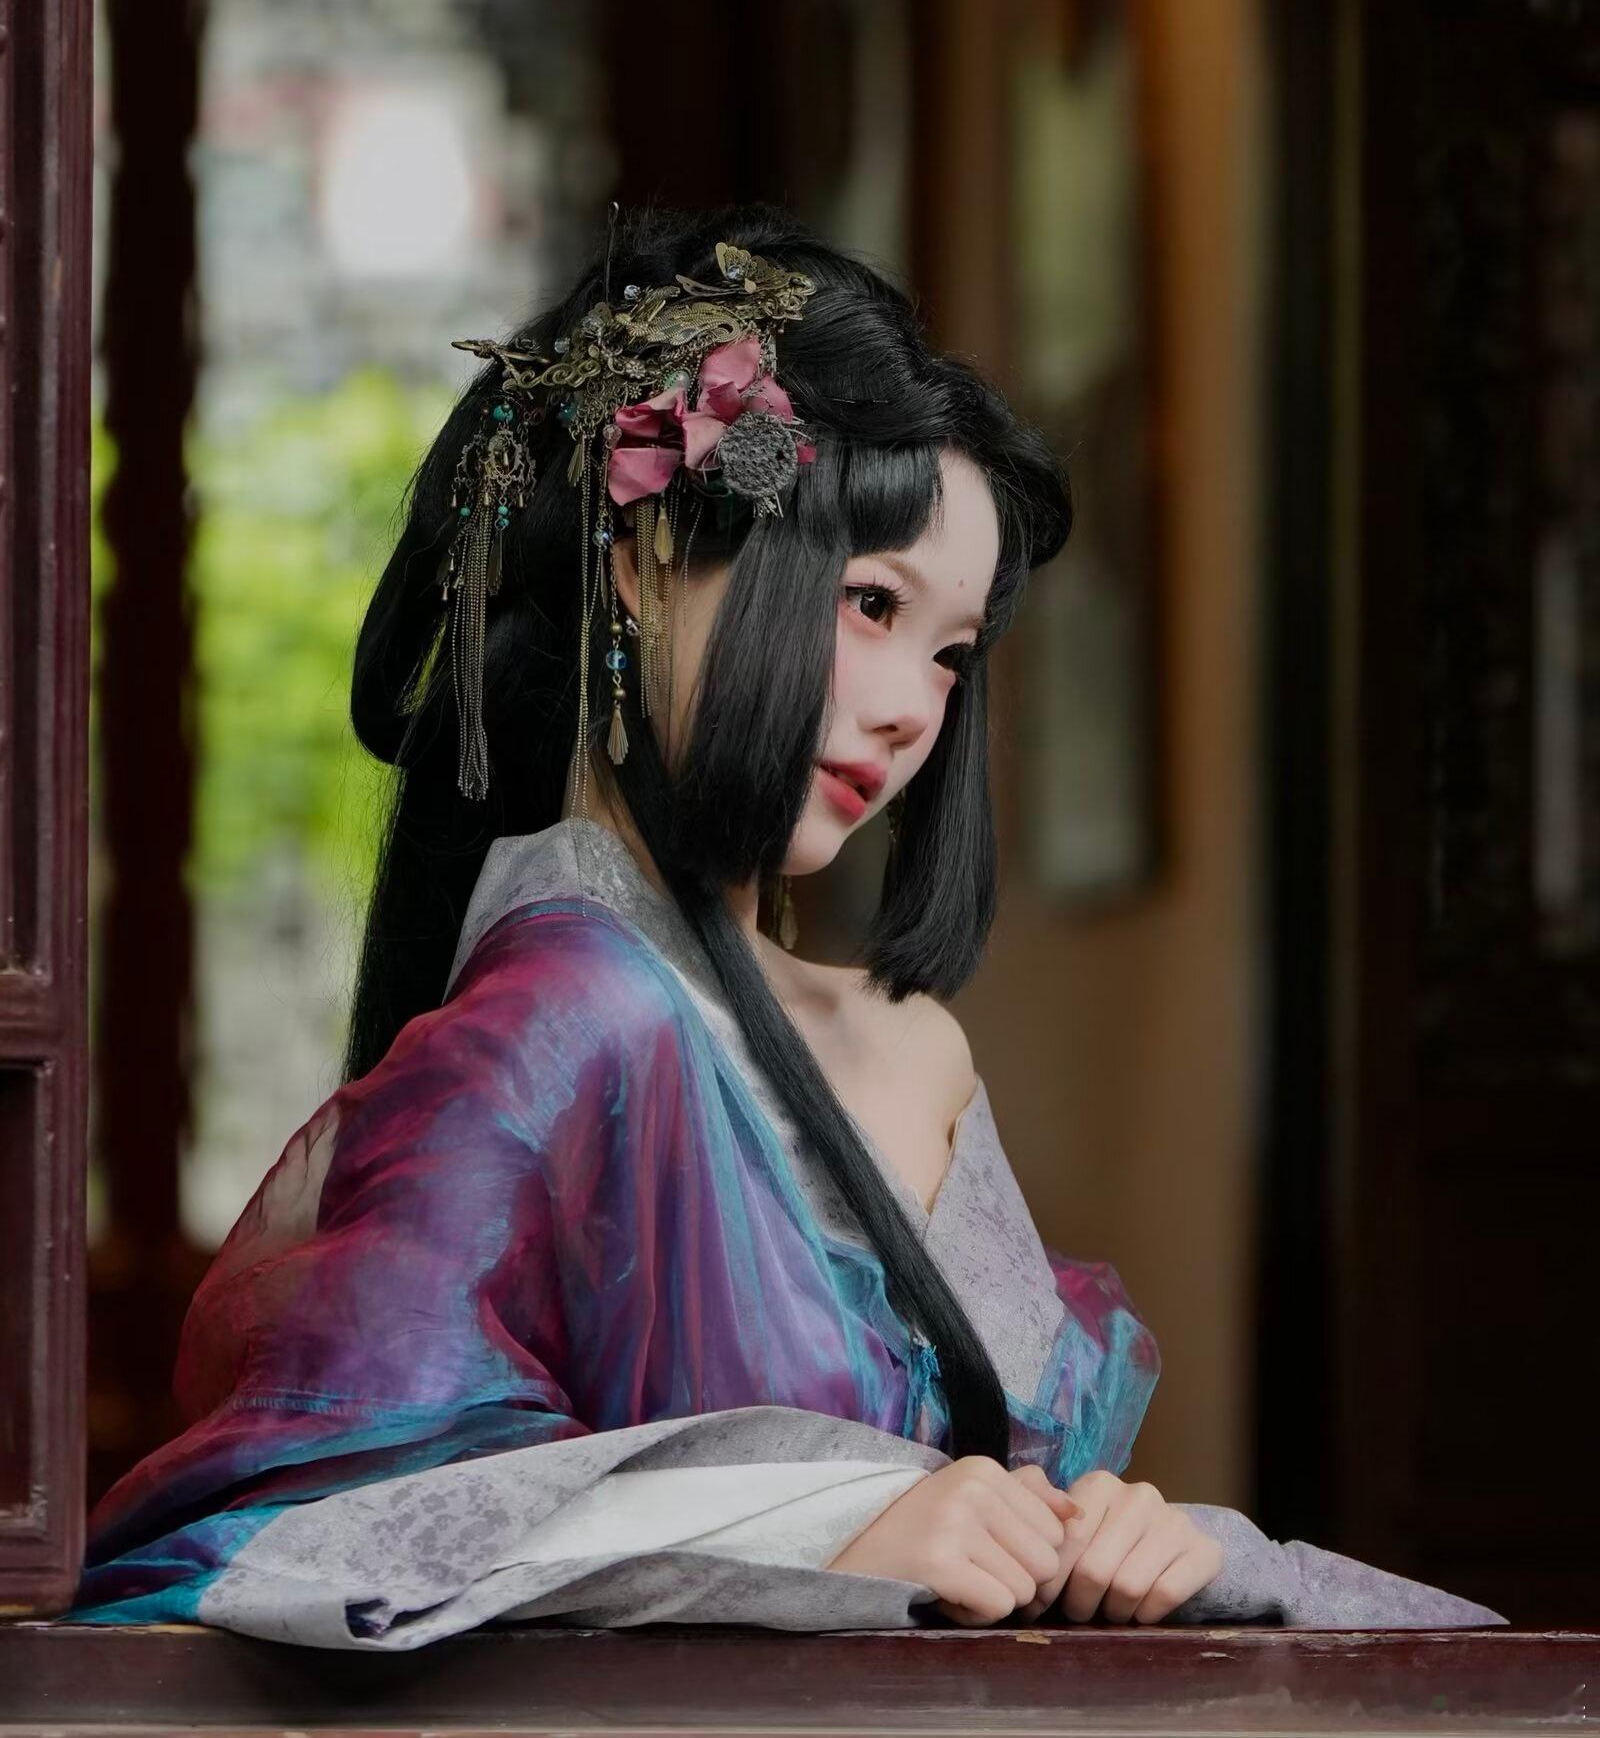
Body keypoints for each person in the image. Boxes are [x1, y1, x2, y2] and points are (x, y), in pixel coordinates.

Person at [73, 203, 1501, 1648]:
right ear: (639, 563)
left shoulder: (912, 1051)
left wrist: (1119, 1542)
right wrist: (815, 1530)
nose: (911, 710)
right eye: (870, 602)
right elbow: (295, 1544)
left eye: (951, 655)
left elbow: (1006, 1524)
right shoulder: (560, 1018)